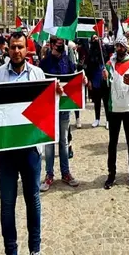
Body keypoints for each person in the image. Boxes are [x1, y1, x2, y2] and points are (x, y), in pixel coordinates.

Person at [0, 32, 54, 255]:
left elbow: (44, 109)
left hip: (30, 149)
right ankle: (10, 250)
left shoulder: (37, 73)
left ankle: (35, 248)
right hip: (6, 151)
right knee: (7, 203)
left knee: (33, 199)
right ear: (7, 49)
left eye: (20, 47)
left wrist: (57, 95)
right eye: (13, 47)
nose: (16, 51)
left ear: (27, 49)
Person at [38, 37, 80, 192]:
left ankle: (65, 172)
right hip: (49, 108)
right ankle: (49, 174)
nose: (60, 48)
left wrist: (82, 80)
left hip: (63, 107)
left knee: (63, 140)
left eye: (62, 45)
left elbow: (73, 78)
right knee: (49, 143)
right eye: (58, 45)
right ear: (51, 45)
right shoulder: (44, 63)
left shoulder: (67, 61)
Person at [103, 36, 129, 190]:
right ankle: (111, 174)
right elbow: (105, 86)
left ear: (126, 47)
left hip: (128, 109)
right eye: (117, 45)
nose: (118, 48)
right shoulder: (109, 64)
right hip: (114, 110)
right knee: (112, 143)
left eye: (121, 46)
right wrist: (104, 78)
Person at [86, 36, 107, 128]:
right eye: (94, 39)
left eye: (97, 38)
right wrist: (89, 80)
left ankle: (108, 120)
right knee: (97, 101)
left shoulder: (103, 51)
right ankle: (97, 119)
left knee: (106, 101)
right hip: (94, 79)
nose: (96, 40)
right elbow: (88, 68)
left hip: (104, 78)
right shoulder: (90, 53)